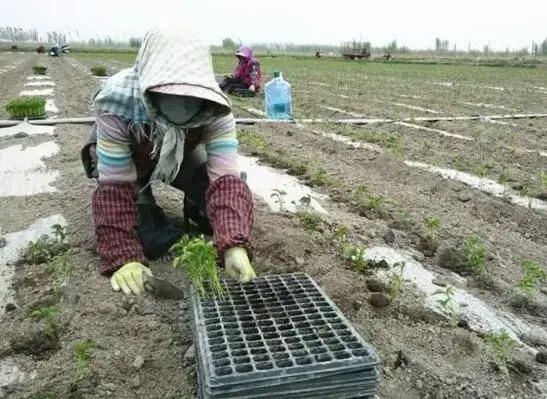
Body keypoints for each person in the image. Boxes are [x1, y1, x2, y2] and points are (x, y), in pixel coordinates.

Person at [80, 25, 257, 296]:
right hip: (133, 157)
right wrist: (125, 258)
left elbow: (225, 178)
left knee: (222, 223)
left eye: (190, 98)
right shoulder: (117, 103)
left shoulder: (214, 110)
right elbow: (115, 184)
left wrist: (234, 245)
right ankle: (146, 203)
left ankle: (194, 203)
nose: (183, 106)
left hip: (180, 154)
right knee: (148, 240)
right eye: (171, 94)